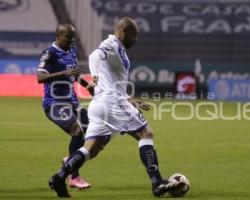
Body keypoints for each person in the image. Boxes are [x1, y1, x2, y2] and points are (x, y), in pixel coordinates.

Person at [48, 17, 184, 198]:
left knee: (91, 149)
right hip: (112, 103)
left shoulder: (119, 50)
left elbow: (113, 83)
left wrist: (129, 99)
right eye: (133, 35)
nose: (135, 40)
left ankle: (60, 176)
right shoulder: (112, 44)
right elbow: (94, 56)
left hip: (100, 104)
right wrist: (94, 78)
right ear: (123, 31)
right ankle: (157, 182)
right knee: (146, 134)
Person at [37, 23, 95, 189]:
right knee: (77, 132)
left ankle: (69, 160)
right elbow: (40, 78)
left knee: (93, 134)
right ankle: (74, 177)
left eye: (73, 36)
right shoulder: (49, 54)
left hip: (72, 102)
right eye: (68, 36)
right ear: (58, 36)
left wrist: (87, 85)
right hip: (54, 104)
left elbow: (74, 74)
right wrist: (64, 73)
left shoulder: (72, 50)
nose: (71, 40)